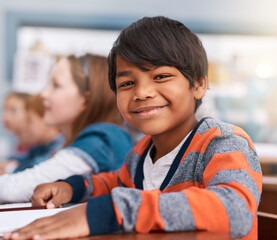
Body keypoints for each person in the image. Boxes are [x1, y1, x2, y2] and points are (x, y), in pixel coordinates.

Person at [4, 17, 262, 240]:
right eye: (127, 83)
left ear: (198, 84)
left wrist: (113, 210)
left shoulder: (224, 142)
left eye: (161, 76)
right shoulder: (141, 153)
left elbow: (235, 209)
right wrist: (73, 187)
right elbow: (114, 182)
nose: (142, 93)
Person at [0, 53, 134, 203]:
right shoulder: (100, 136)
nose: (44, 94)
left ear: (85, 99)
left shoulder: (100, 139)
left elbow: (13, 190)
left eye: (56, 85)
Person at [0, 94, 64, 175]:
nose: (26, 126)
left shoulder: (60, 146)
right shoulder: (40, 147)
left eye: (29, 120)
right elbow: (24, 159)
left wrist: (10, 167)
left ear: (45, 118)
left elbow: (39, 168)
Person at [1, 92, 33, 157]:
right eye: (5, 109)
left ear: (29, 113)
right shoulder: (14, 143)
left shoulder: (35, 146)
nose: (5, 116)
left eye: (13, 110)